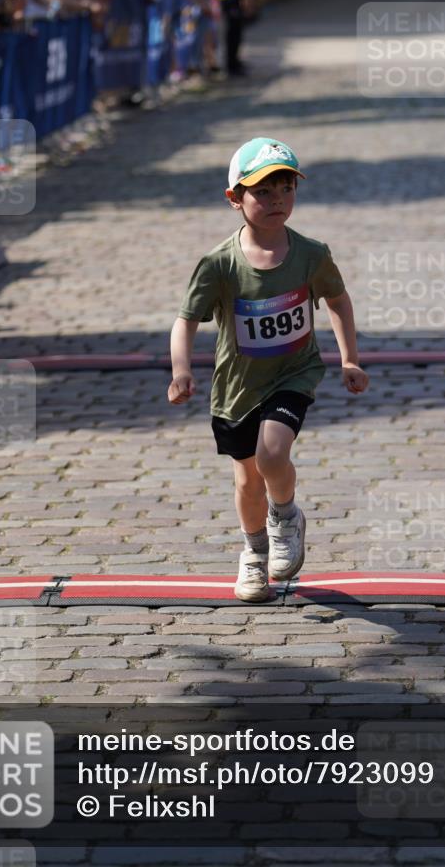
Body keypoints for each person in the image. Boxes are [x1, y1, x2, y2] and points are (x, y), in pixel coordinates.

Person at [167, 138, 368, 602]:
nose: (277, 199)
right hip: (237, 387)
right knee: (245, 479)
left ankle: (286, 517)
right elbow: (186, 321)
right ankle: (254, 553)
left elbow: (337, 301)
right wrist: (181, 371)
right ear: (234, 198)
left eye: (286, 189)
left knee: (272, 455)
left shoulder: (311, 254)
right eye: (263, 191)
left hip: (293, 374)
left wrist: (349, 358)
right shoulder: (219, 264)